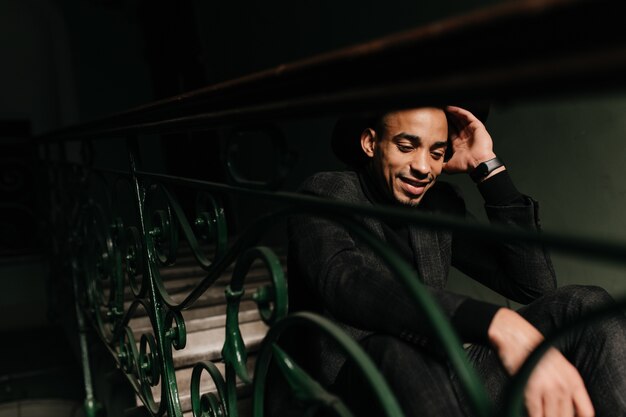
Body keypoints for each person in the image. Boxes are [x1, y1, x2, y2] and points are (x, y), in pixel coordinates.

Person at [287, 106, 626, 416]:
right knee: (393, 349)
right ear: (370, 142)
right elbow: (348, 282)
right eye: (407, 147)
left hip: (442, 373)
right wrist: (493, 322)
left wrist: (487, 168)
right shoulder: (328, 192)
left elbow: (533, 285)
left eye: (436, 153)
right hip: (353, 390)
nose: (423, 167)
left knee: (583, 305)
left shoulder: (439, 204)